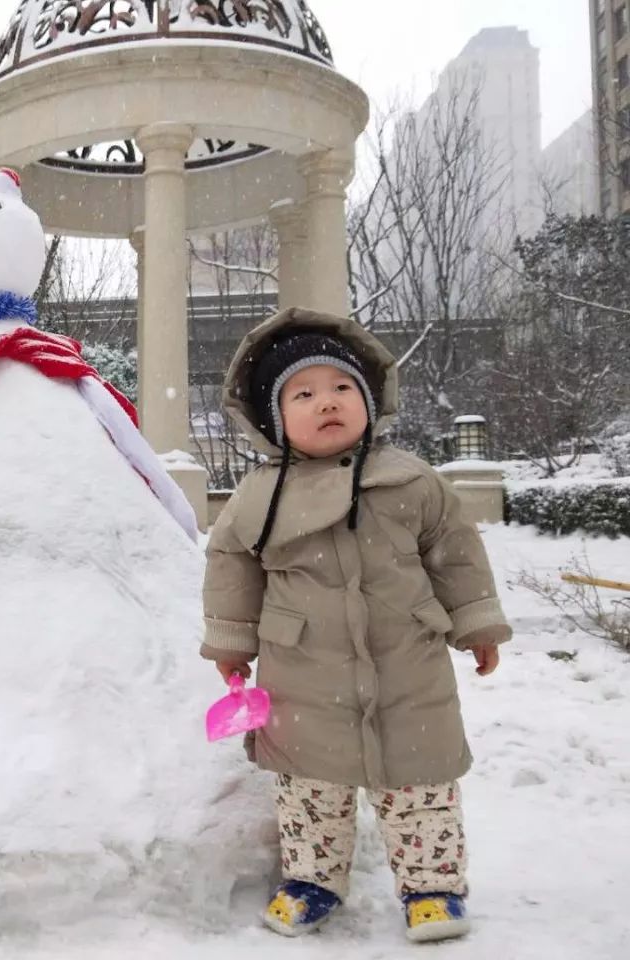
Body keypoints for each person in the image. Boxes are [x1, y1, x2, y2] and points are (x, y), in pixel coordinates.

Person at [201, 307, 511, 943]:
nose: (327, 403)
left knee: (420, 785)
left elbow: (455, 552)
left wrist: (475, 621)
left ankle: (432, 887)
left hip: (408, 665)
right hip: (303, 669)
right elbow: (233, 570)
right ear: (273, 416)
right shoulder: (260, 496)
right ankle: (312, 879)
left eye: (343, 388)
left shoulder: (410, 480)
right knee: (311, 791)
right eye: (304, 394)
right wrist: (232, 642)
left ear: (368, 401)